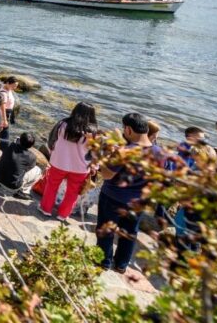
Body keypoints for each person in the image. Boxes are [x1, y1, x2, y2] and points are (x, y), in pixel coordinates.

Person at [97, 112, 153, 274]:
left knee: (106, 230)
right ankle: (121, 264)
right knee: (129, 233)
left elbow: (107, 174)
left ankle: (103, 261)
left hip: (113, 197)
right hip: (139, 201)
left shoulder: (125, 151)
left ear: (128, 130)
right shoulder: (159, 153)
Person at [40, 102, 98, 223]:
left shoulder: (63, 124)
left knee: (51, 186)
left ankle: (46, 209)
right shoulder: (93, 132)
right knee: (73, 192)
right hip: (81, 167)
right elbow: (96, 152)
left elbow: (52, 140)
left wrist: (52, 152)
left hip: (59, 163)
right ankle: (63, 214)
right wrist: (94, 166)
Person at [0, 132, 42, 200]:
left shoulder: (10, 144)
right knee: (38, 170)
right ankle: (22, 191)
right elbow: (27, 169)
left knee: (5, 158)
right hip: (12, 186)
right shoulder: (31, 157)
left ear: (20, 140)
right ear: (31, 146)